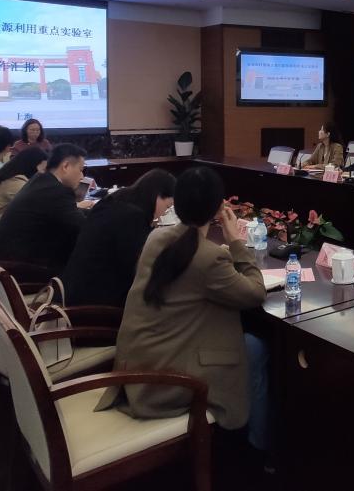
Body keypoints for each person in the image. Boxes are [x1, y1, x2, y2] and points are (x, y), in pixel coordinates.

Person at [95, 166, 269, 453]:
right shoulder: (208, 258)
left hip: (139, 362)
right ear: (218, 209)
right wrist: (236, 242)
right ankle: (258, 449)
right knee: (256, 348)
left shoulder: (157, 238)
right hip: (164, 380)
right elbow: (255, 293)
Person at [61, 169, 177, 307]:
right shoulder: (133, 217)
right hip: (95, 302)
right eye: (167, 206)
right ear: (157, 196)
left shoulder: (113, 201)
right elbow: (137, 266)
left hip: (73, 288)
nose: (164, 213)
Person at [0, 143, 94, 270]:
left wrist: (96, 212)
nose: (82, 176)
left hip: (6, 260)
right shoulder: (56, 191)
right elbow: (83, 227)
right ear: (66, 166)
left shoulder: (41, 180)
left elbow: (71, 213)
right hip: (24, 269)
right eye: (80, 170)